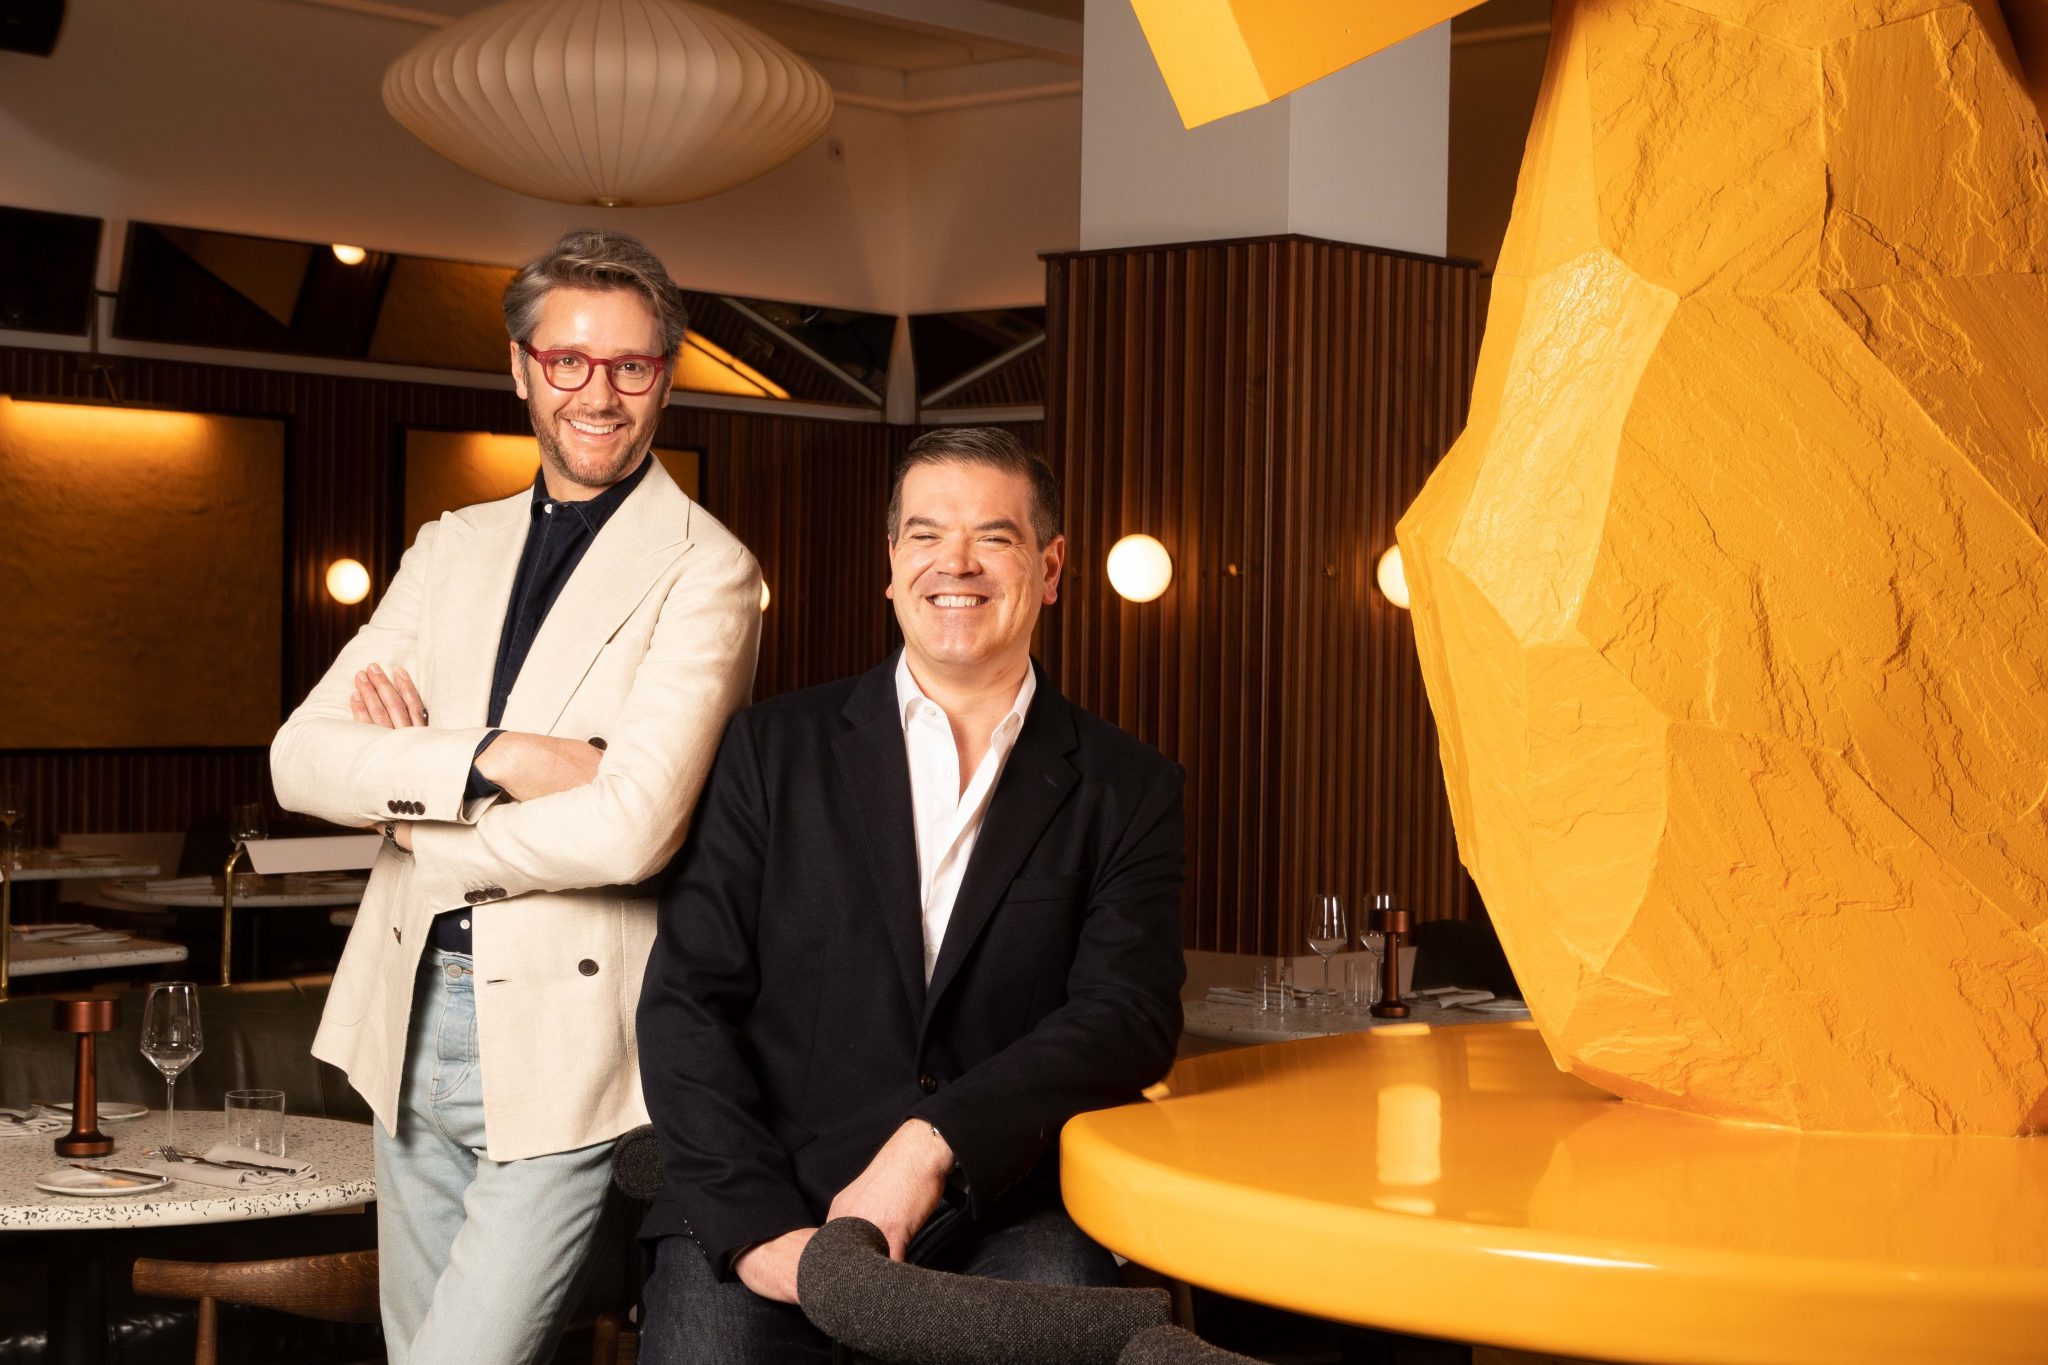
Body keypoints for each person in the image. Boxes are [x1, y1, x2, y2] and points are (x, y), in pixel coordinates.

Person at [271, 228, 762, 1365]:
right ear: (520, 368)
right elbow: (302, 759)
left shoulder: (707, 568)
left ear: (666, 377)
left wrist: (416, 818)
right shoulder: (452, 546)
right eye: (568, 360)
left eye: (631, 366)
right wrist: (499, 752)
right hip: (406, 1007)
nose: (598, 393)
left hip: (565, 1030)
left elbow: (634, 828)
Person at [636, 427, 1186, 1362]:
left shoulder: (1128, 785)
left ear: (1050, 568)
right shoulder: (769, 751)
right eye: (924, 535)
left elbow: (1126, 1017)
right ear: (891, 566)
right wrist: (763, 1233)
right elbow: (686, 1004)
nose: (955, 564)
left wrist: (933, 1142)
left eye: (995, 537)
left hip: (1008, 1206)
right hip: (772, 1195)